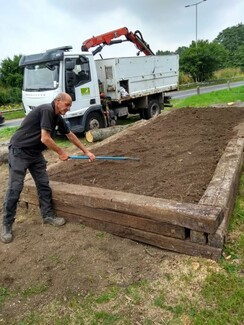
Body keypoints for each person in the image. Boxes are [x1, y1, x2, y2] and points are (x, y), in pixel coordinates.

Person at [1, 92, 95, 244]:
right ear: (58, 101)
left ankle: (48, 216)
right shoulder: (47, 110)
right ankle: (6, 224)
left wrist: (87, 152)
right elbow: (45, 138)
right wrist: (61, 152)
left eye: (70, 105)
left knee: (44, 184)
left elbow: (70, 135)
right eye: (67, 105)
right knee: (15, 187)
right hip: (20, 151)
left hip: (35, 153)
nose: (68, 108)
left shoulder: (57, 117)